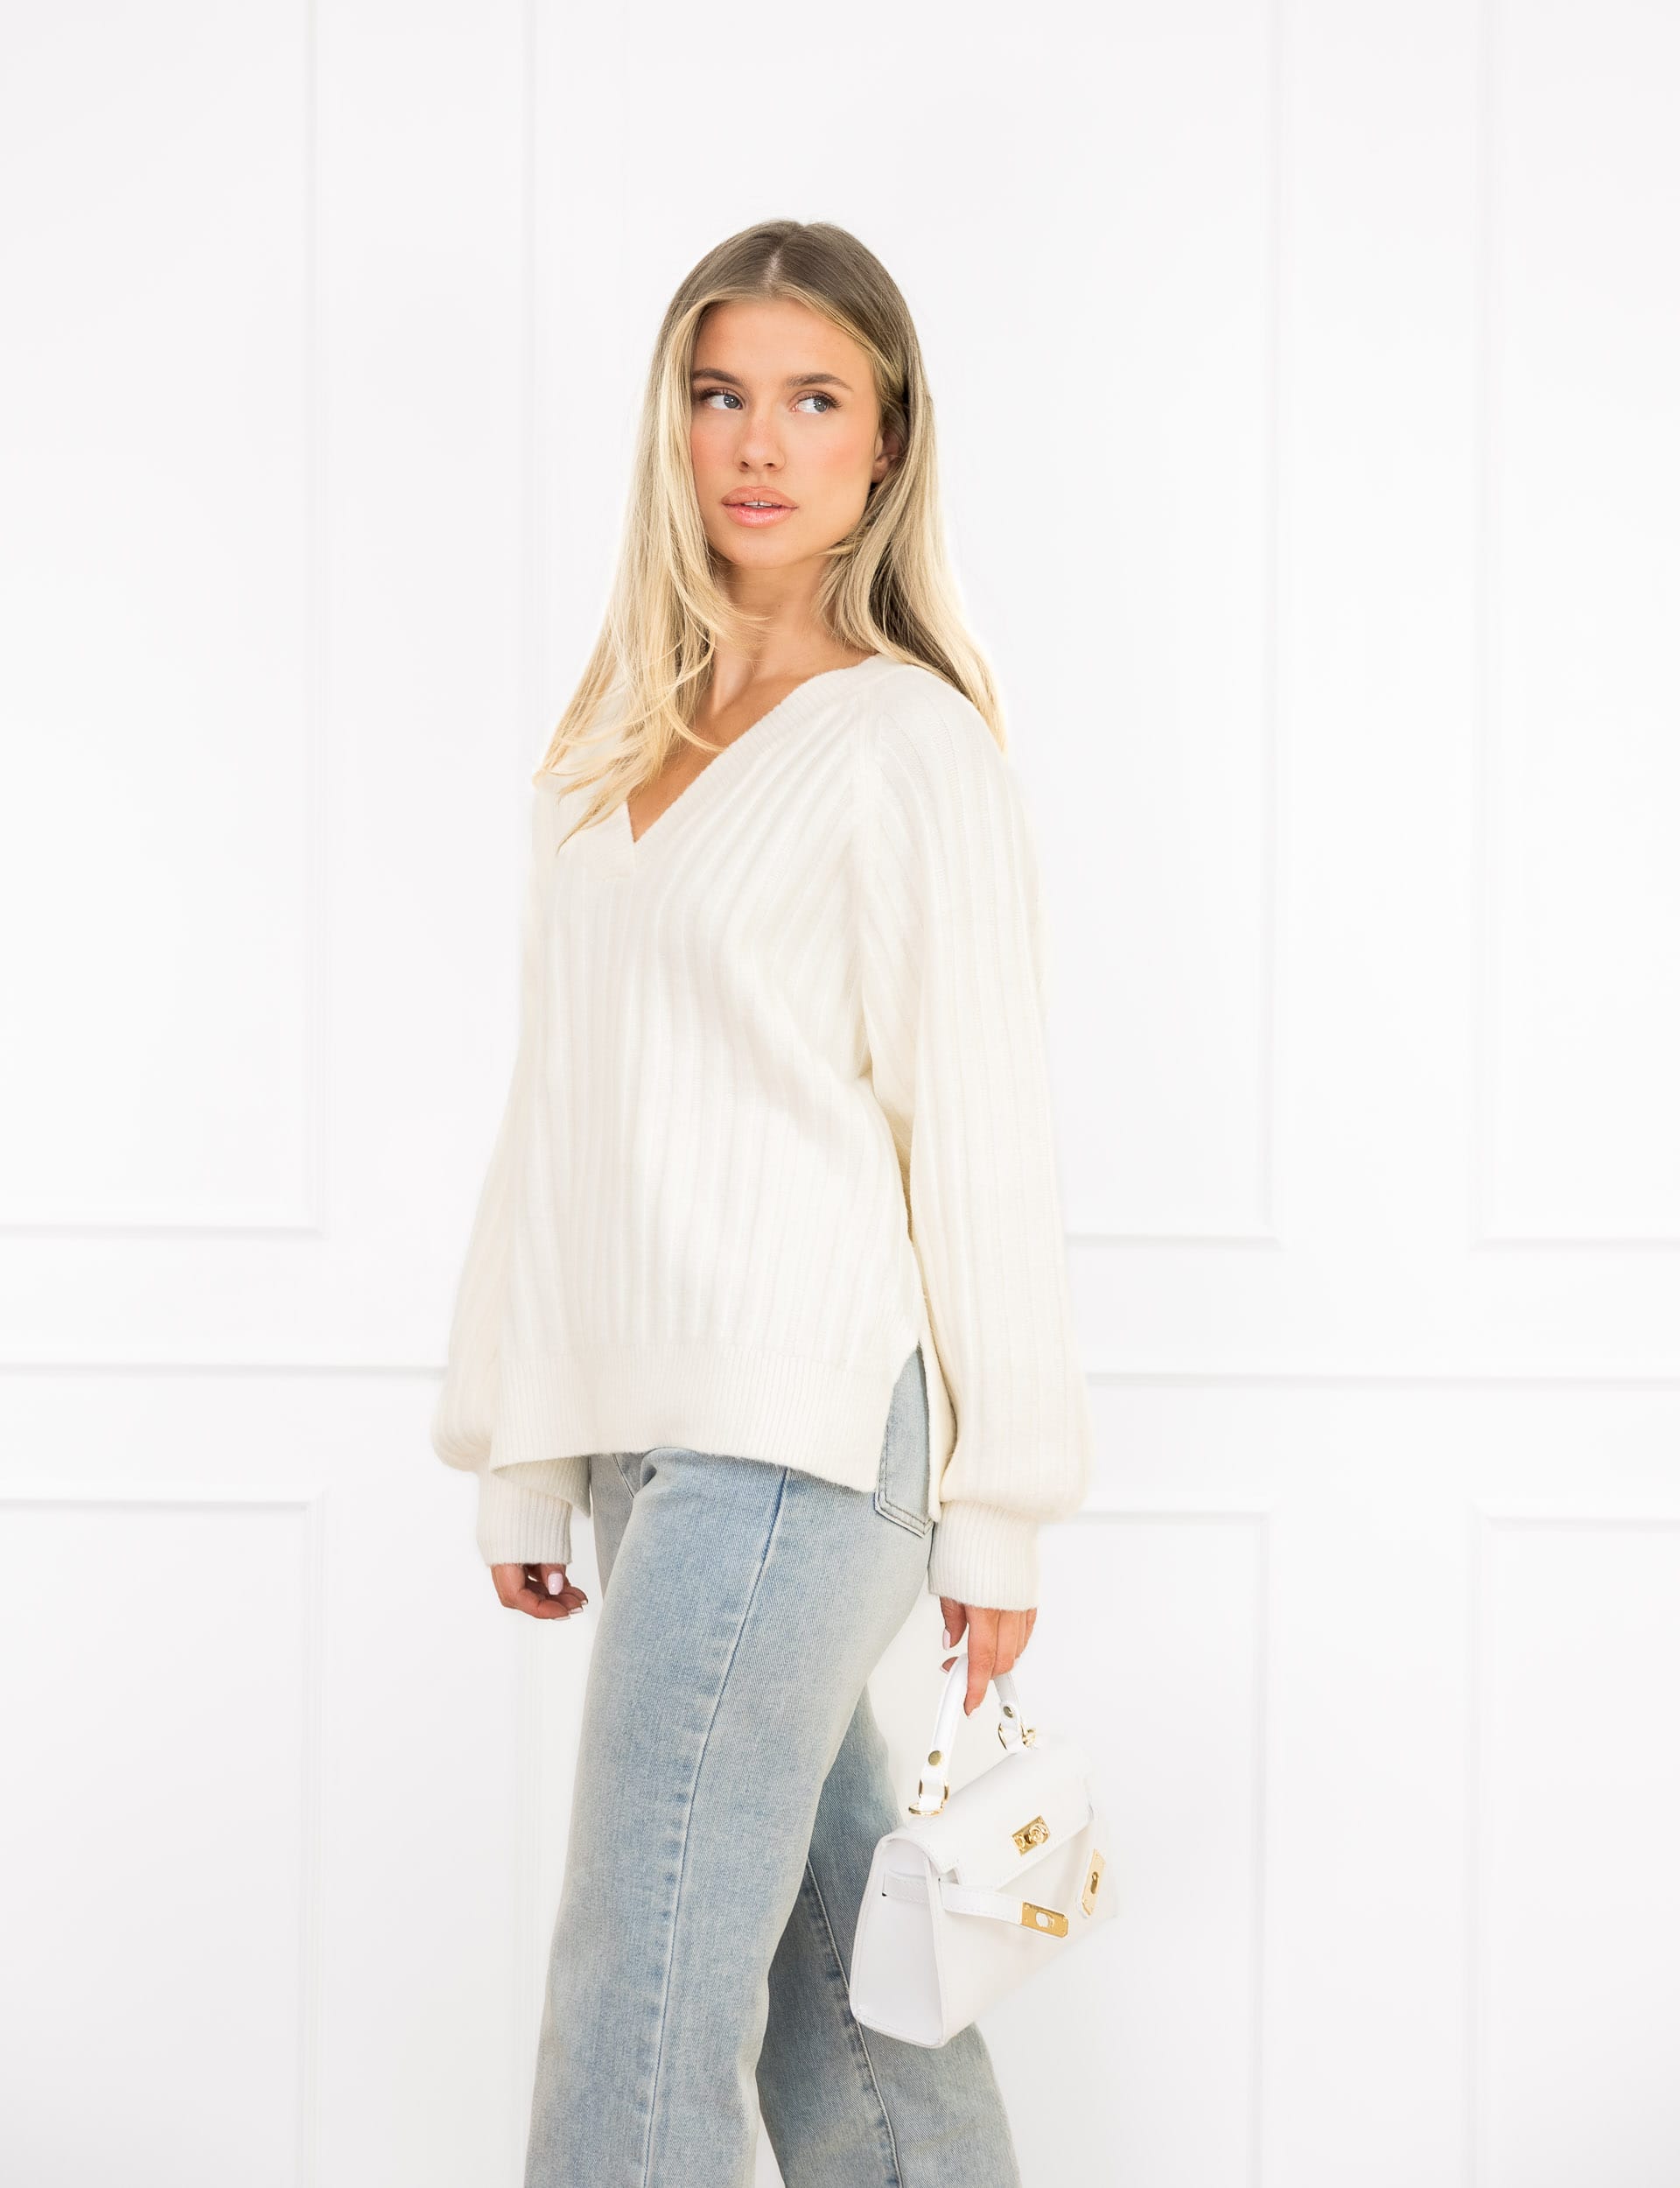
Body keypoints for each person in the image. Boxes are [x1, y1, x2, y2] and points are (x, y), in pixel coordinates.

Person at [430, 218, 1095, 2188]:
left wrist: (1003, 1498)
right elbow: (560, 1112)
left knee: (637, 1983)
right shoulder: (605, 747)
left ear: (886, 442)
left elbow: (982, 1128)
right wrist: (524, 1449)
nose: (760, 442)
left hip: (810, 1430)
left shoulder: (909, 743)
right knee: (829, 1978)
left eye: (815, 399)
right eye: (722, 393)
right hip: (653, 1434)